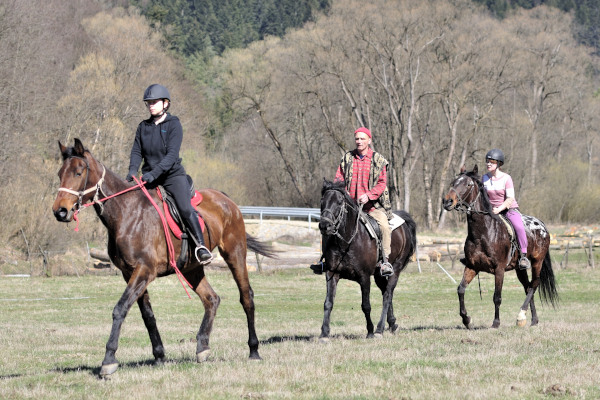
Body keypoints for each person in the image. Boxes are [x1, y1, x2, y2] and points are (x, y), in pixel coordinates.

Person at [126, 84, 212, 265]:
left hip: (172, 176)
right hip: (148, 177)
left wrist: (153, 174)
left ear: (166, 104)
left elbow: (171, 156)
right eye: (148, 102)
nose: (151, 105)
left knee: (185, 208)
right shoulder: (143, 127)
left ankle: (200, 246)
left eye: (154, 102)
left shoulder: (174, 125)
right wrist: (133, 170)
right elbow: (136, 152)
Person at [311, 127, 394, 277]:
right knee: (328, 223)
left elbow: (382, 184)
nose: (359, 141)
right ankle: (325, 260)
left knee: (384, 226)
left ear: (369, 140)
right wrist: (343, 192)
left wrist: (369, 195)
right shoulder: (347, 158)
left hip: (372, 207)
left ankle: (385, 261)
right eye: (357, 139)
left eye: (363, 139)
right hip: (349, 207)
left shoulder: (379, 160)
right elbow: (338, 179)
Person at [482, 149, 530, 270]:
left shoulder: (506, 178)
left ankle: (523, 255)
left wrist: (499, 209)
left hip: (508, 209)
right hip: (491, 210)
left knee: (519, 227)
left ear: (498, 164)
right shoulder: (484, 178)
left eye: (492, 161)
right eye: (487, 161)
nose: (488, 163)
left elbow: (510, 199)